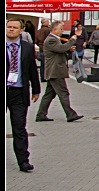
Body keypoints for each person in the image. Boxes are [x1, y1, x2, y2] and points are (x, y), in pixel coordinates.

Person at [6, 19, 41, 172]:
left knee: (19, 128)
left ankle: (23, 161)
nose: (11, 30)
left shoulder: (27, 47)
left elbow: (32, 69)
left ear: (21, 30)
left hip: (19, 92)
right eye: (8, 27)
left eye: (14, 28)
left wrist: (36, 89)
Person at [36, 21, 84, 123]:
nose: (62, 31)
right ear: (54, 29)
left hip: (54, 70)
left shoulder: (54, 39)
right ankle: (70, 114)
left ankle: (41, 114)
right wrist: (71, 41)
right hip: (55, 71)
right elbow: (60, 49)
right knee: (63, 93)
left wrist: (68, 50)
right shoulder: (51, 40)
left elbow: (60, 52)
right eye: (61, 29)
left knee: (49, 94)